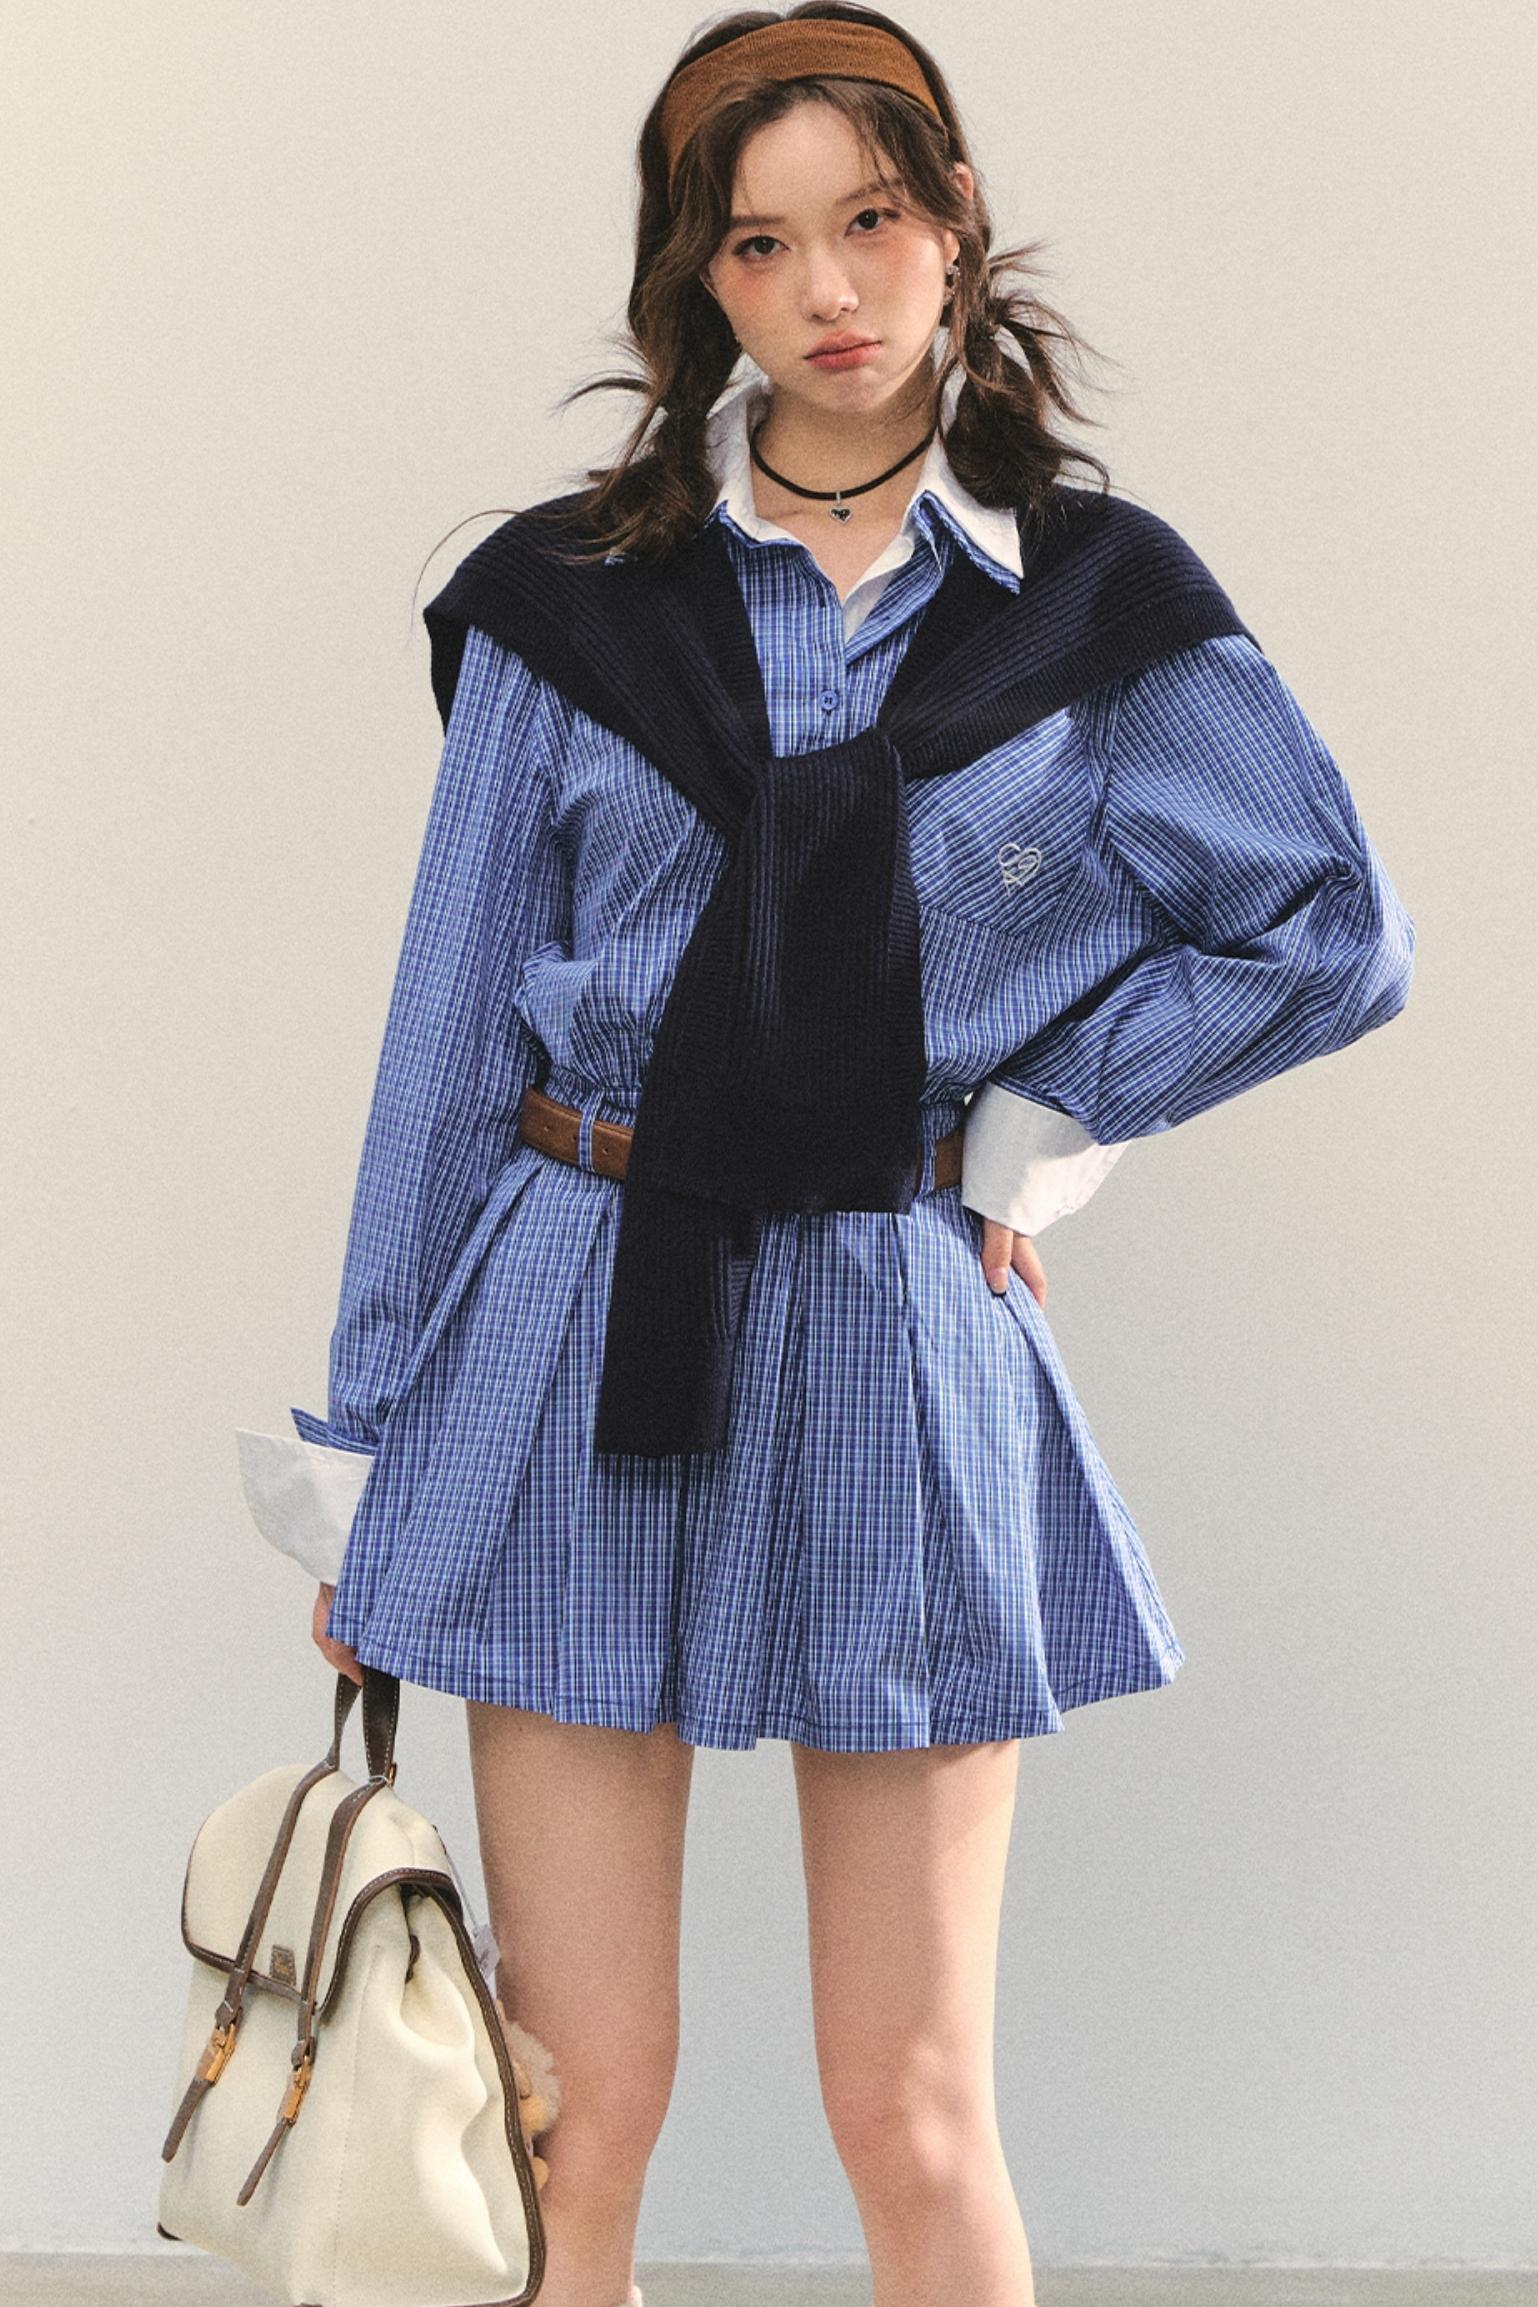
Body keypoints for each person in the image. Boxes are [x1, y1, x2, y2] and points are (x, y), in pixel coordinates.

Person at [235, 9, 1416, 2305]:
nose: (828, 288)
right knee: (571, 2098)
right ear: (701, 279)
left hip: (892, 1307)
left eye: (868, 218)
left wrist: (1039, 1119)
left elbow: (1325, 925)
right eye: (760, 244)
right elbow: (447, 1033)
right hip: (577, 1312)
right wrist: (367, 1437)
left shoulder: (1088, 600)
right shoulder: (571, 600)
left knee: (911, 2103)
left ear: (953, 221)